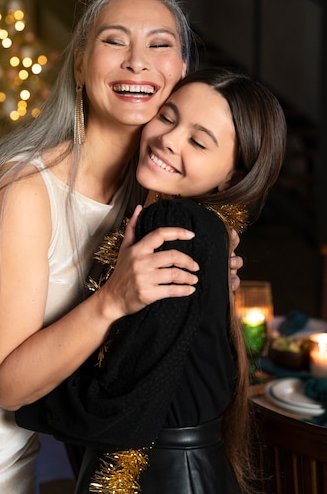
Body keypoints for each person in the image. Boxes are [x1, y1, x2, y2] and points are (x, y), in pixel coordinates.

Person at [0, 0, 224, 493]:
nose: (137, 61)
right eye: (114, 40)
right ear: (79, 63)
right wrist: (113, 300)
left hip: (12, 456)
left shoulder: (153, 201)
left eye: (159, 44)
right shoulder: (26, 190)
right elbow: (9, 384)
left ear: (182, 72)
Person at [15, 68, 287, 494]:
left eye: (198, 141)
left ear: (233, 178)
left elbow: (118, 412)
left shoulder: (175, 225)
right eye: (167, 117)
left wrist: (9, 386)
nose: (168, 140)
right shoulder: (199, 230)